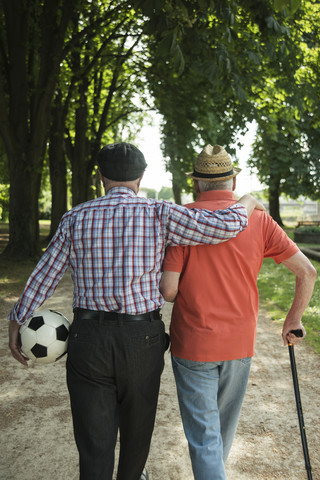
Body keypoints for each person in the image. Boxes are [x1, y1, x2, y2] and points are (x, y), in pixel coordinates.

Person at [8, 142, 264, 480]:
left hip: (89, 339)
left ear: (101, 177)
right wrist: (247, 200)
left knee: (94, 445)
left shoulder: (75, 217)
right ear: (140, 178)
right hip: (142, 339)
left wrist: (18, 318)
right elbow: (224, 226)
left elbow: (45, 275)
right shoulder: (160, 212)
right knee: (136, 437)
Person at [160, 144, 317, 480]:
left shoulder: (183, 220)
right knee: (218, 437)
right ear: (232, 181)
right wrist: (293, 319)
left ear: (198, 184)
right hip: (239, 345)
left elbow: (169, 291)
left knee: (205, 439)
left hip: (193, 344)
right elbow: (307, 271)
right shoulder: (259, 220)